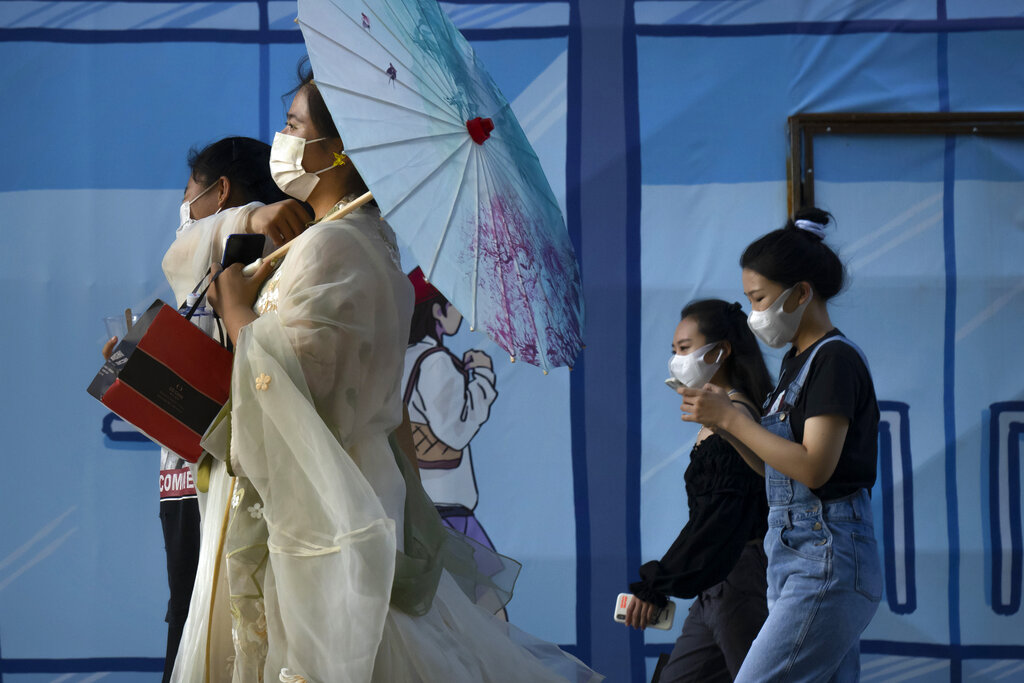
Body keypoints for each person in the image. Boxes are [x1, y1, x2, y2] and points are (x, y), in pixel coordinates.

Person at [171, 61, 601, 683]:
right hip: (338, 488)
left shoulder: (334, 246)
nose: (283, 139)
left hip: (322, 500)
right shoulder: (348, 239)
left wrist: (239, 316)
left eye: (295, 125)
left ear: (339, 150)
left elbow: (290, 392)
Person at [100, 135, 310, 683]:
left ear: (219, 194)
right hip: (191, 477)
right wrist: (142, 364)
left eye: (189, 192)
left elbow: (189, 241)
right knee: (193, 622)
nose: (184, 209)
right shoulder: (217, 263)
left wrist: (257, 216)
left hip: (221, 482)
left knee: (209, 628)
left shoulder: (248, 254)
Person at [679, 208, 882, 682]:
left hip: (828, 560)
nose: (755, 316)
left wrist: (732, 416)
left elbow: (814, 468)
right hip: (794, 557)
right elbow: (775, 467)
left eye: (760, 299)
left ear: (802, 293)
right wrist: (724, 425)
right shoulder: (796, 361)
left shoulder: (835, 361)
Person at [624, 299, 772, 682]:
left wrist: (658, 584)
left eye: (685, 349)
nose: (676, 361)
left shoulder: (736, 417)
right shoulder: (722, 417)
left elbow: (719, 518)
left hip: (737, 577)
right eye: (674, 351)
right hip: (716, 582)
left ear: (720, 351)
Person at [402, 267, 499, 552]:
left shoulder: (402, 357)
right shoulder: (436, 362)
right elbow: (456, 431)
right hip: (446, 510)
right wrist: (482, 377)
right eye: (455, 303)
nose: (462, 313)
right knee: (478, 592)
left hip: (415, 503)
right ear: (437, 312)